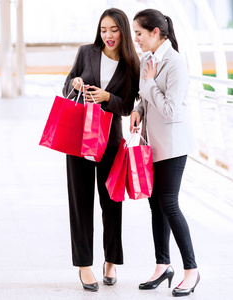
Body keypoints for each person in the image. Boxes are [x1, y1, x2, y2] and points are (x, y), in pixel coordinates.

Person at [62, 8, 140, 292]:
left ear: (123, 32)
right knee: (80, 202)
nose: (108, 35)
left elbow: (129, 105)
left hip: (111, 139)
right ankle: (84, 265)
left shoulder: (132, 64)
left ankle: (111, 260)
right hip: (78, 137)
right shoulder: (86, 52)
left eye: (114, 30)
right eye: (104, 30)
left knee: (111, 201)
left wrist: (108, 97)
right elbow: (66, 86)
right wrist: (75, 83)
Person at [130, 9, 200, 297]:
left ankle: (191, 271)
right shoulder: (148, 59)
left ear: (155, 32)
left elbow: (171, 111)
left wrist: (148, 86)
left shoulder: (175, 63)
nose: (135, 39)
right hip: (152, 144)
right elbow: (144, 98)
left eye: (139, 34)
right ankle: (163, 266)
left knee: (169, 204)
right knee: (155, 205)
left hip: (172, 145)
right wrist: (137, 110)